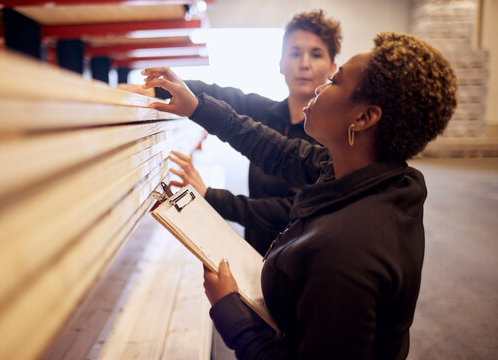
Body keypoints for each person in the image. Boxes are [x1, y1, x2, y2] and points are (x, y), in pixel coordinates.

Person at [140, 32, 458, 359]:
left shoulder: (344, 254)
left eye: (334, 81)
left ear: (364, 118)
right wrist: (198, 106)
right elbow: (279, 151)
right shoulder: (374, 177)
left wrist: (228, 309)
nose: (320, 85)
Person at [120, 10, 341, 255]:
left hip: (299, 266)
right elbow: (221, 94)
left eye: (316, 54)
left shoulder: (331, 140)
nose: (304, 64)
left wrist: (210, 196)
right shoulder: (267, 112)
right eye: (295, 53)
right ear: (280, 64)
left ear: (333, 68)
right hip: (257, 256)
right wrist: (159, 90)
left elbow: (291, 211)